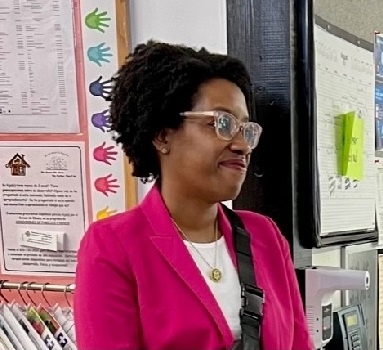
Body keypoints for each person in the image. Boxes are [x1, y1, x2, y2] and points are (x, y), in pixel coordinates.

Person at [74, 41, 313, 350]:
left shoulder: (265, 237)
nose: (242, 145)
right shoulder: (113, 247)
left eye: (246, 129)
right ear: (162, 134)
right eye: (222, 124)